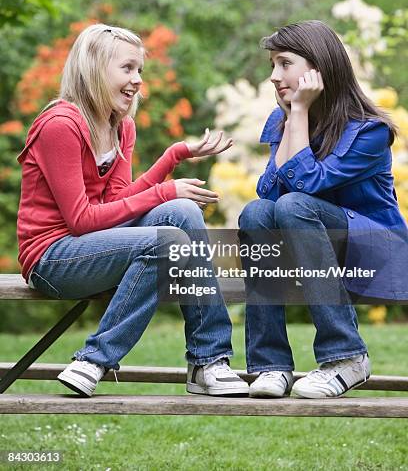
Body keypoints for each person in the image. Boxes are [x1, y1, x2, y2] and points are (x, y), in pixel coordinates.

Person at [17, 23, 249, 398]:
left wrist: (173, 156)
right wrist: (163, 190)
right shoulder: (60, 124)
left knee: (183, 213)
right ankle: (95, 358)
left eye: (139, 70)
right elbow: (80, 220)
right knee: (169, 238)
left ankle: (208, 361)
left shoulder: (121, 127)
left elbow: (117, 205)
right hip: (52, 258)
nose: (138, 80)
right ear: (94, 68)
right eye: (127, 68)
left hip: (95, 247)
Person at [238, 20, 408, 399]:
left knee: (295, 204)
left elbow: (305, 186)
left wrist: (297, 112)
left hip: (375, 249)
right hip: (312, 243)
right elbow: (268, 192)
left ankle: (346, 356)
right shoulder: (281, 119)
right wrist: (292, 118)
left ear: (319, 68)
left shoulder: (369, 131)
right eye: (272, 66)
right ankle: (270, 363)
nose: (273, 76)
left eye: (284, 64)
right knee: (255, 213)